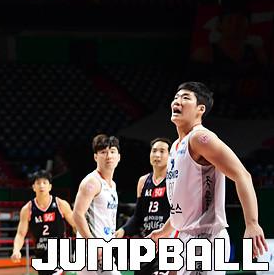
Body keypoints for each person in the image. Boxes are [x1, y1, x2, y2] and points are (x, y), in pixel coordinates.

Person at [149, 82, 268, 275]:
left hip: (205, 238)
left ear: (200, 109)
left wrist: (252, 223)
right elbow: (184, 205)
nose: (177, 101)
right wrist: (164, 231)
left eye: (185, 98)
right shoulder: (176, 146)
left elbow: (242, 175)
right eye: (176, 97)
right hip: (181, 235)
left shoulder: (200, 138)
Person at [114, 138, 171, 275]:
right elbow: (138, 216)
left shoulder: (174, 180)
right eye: (154, 151)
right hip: (146, 243)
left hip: (168, 243)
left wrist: (165, 233)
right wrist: (123, 230)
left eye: (162, 151)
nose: (157, 155)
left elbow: (179, 215)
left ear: (170, 156)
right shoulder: (143, 181)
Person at [72, 135, 121, 275]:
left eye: (112, 151)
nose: (108, 156)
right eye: (103, 152)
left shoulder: (112, 185)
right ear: (95, 157)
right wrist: (93, 244)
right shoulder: (92, 182)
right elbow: (77, 214)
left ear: (119, 157)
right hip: (91, 249)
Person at [11, 170, 76, 274]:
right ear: (34, 187)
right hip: (41, 253)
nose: (41, 186)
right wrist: (16, 250)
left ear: (50, 187)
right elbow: (20, 234)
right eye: (38, 183)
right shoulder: (27, 209)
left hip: (60, 252)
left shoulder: (60, 204)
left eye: (44, 183)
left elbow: (75, 225)